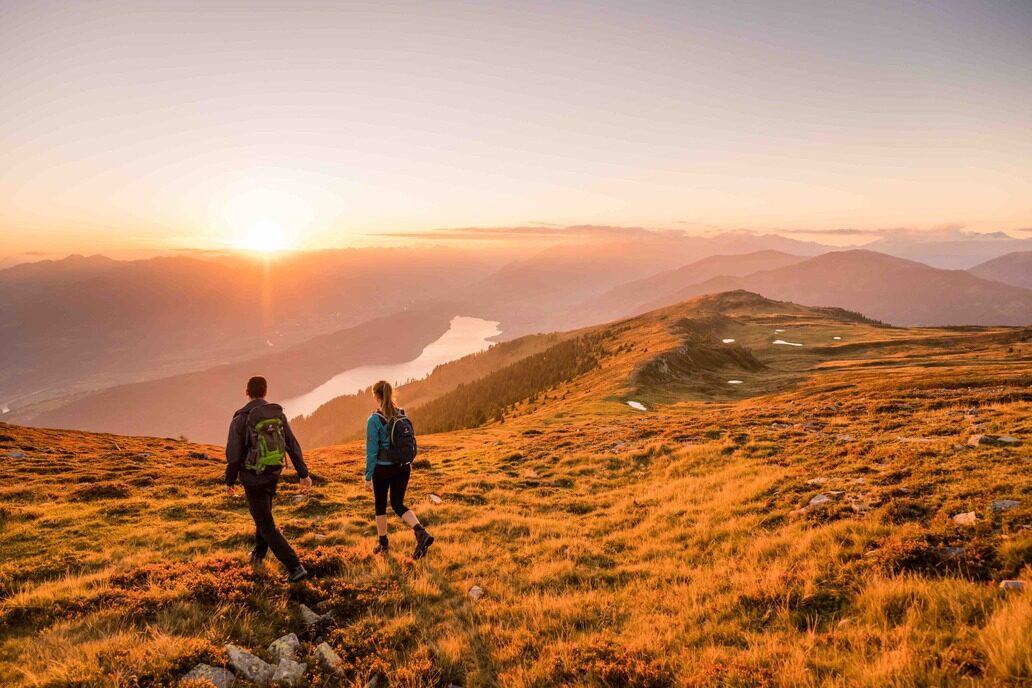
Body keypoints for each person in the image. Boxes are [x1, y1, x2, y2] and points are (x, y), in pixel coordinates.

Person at [226, 375, 311, 582]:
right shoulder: (277, 415)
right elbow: (292, 444)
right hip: (273, 473)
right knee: (263, 515)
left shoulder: (240, 419)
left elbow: (234, 456)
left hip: (252, 478)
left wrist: (229, 480)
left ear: (247, 392)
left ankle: (295, 567)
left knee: (265, 523)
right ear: (265, 392)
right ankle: (258, 554)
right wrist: (303, 473)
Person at [366, 380, 434, 559]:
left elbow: (372, 451)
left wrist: (368, 476)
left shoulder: (374, 420)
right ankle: (421, 533)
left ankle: (383, 544)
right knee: (397, 504)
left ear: (376, 396)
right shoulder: (401, 414)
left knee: (380, 505)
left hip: (383, 470)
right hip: (403, 467)